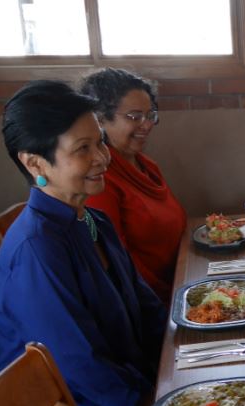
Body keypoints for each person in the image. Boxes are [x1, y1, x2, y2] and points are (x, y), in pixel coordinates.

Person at [0, 80, 166, 406]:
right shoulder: (36, 250)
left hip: (121, 397)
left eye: (99, 141)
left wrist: (177, 357)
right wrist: (155, 399)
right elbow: (76, 364)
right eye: (83, 149)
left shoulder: (91, 219)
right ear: (35, 163)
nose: (103, 157)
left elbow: (143, 303)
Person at [79, 68, 186, 302]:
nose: (147, 125)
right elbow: (120, 267)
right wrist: (176, 296)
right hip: (155, 301)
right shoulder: (101, 183)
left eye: (150, 115)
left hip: (181, 277)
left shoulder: (146, 165)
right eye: (135, 116)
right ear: (100, 120)